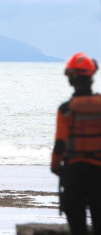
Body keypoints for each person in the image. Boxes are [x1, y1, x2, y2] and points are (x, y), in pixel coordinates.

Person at [50, 52, 101, 235]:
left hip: (74, 174)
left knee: (77, 226)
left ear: (70, 79)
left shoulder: (66, 110)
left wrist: (55, 166)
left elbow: (60, 145)